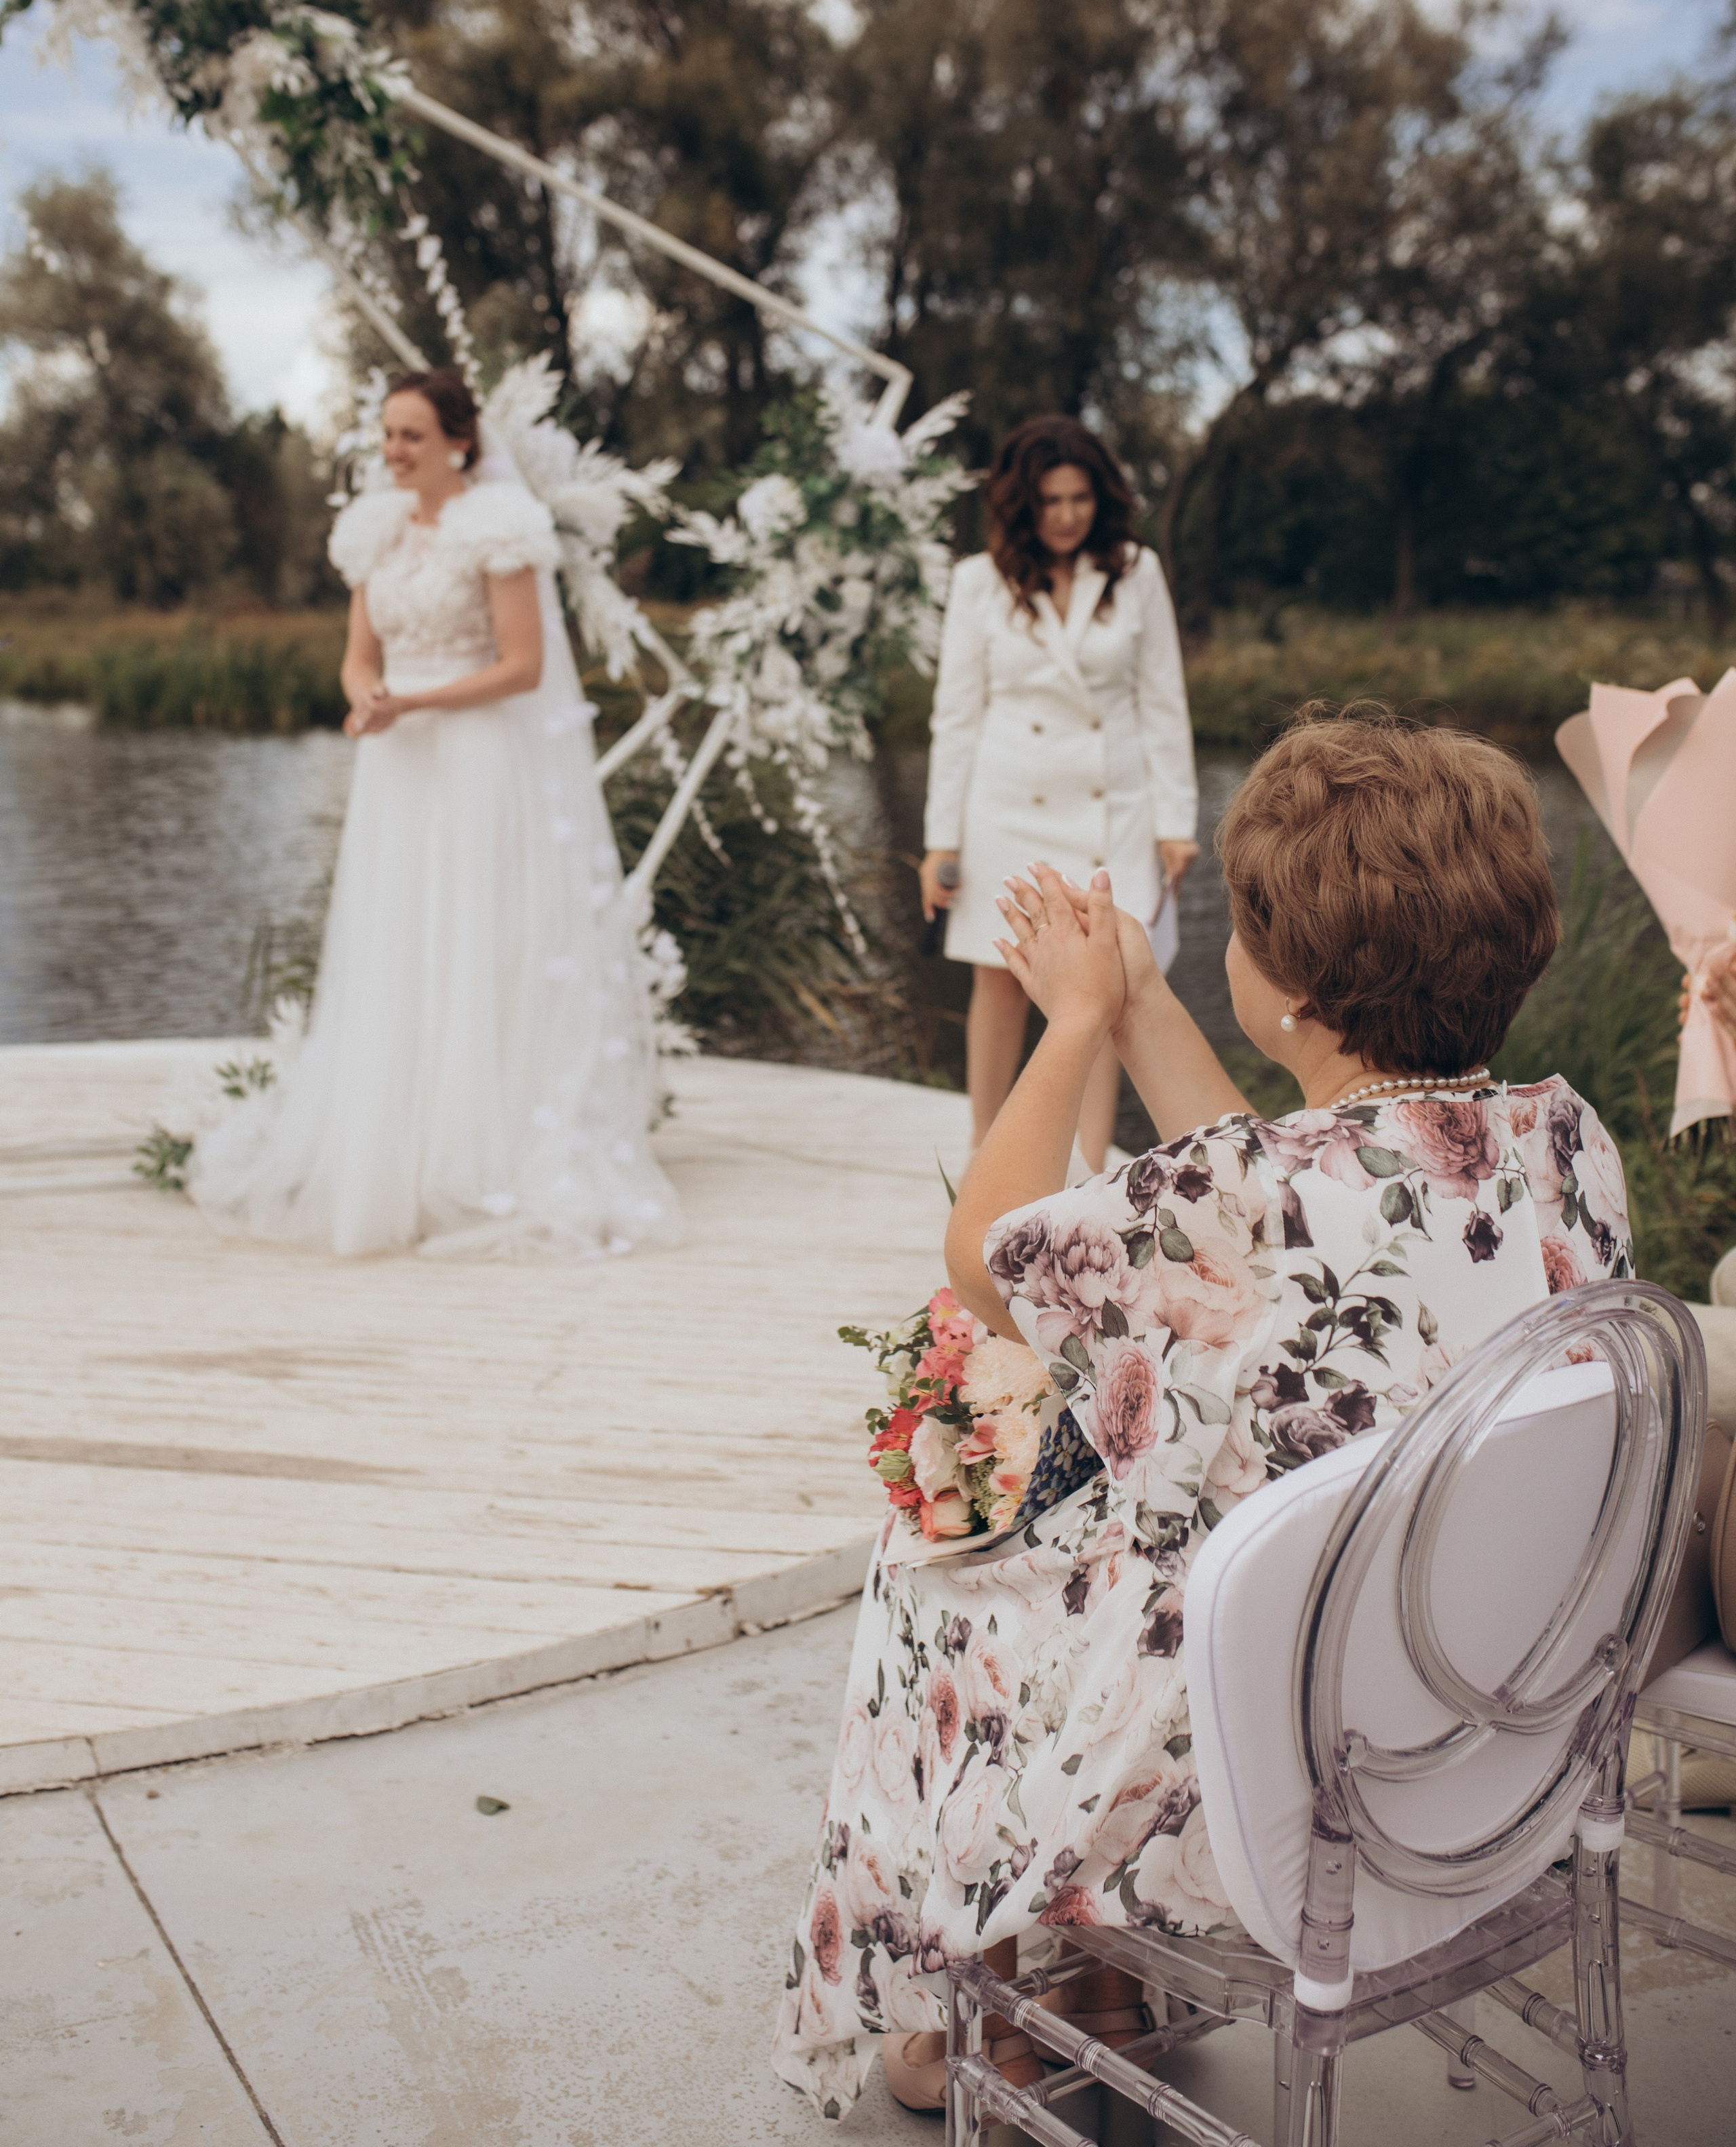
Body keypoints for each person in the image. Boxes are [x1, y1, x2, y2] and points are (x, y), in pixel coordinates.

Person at [774, 711, 1632, 2121]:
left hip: (1273, 1764)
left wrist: (1072, 1023)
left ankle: (993, 1961)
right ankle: (1093, 1978)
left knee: (942, 1558)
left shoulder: (1247, 1200)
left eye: (1235, 928)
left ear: (1286, 991)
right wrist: (1145, 1000)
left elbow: (985, 1251)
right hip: (1492, 1718)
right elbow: (1279, 1178)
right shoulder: (1555, 1138)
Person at [190, 368, 676, 1261]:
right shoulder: (374, 533)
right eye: (386, 434)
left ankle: (477, 1156)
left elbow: (522, 667)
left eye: (410, 435)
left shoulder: (501, 531)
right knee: (397, 939)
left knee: (473, 939)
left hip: (474, 757)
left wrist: (415, 704)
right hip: (396, 767)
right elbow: (356, 654)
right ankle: (390, 1154)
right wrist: (367, 695)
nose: (393, 450)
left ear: (460, 441)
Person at [920, 416, 1197, 1174]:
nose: (1067, 514)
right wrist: (941, 842)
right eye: (1050, 500)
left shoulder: (1135, 572)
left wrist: (1177, 823)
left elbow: (1161, 702)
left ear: (1099, 498)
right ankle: (984, 1160)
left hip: (1112, 811)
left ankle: (1092, 1168)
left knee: (1100, 988)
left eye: (1079, 497)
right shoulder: (978, 580)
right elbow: (956, 714)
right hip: (1004, 803)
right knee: (999, 979)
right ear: (1022, 504)